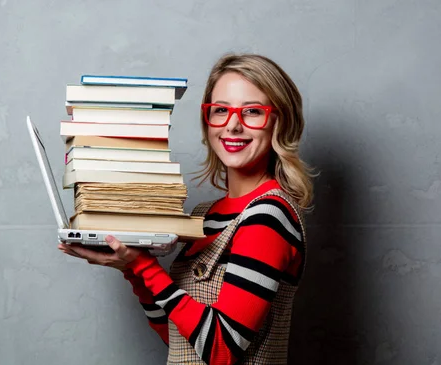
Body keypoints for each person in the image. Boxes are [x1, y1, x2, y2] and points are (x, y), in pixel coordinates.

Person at [58, 53, 314, 365]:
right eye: (221, 110)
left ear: (279, 121)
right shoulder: (205, 215)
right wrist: (130, 268)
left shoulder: (268, 216)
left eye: (252, 112)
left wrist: (143, 267)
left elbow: (221, 351)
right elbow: (179, 337)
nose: (233, 126)